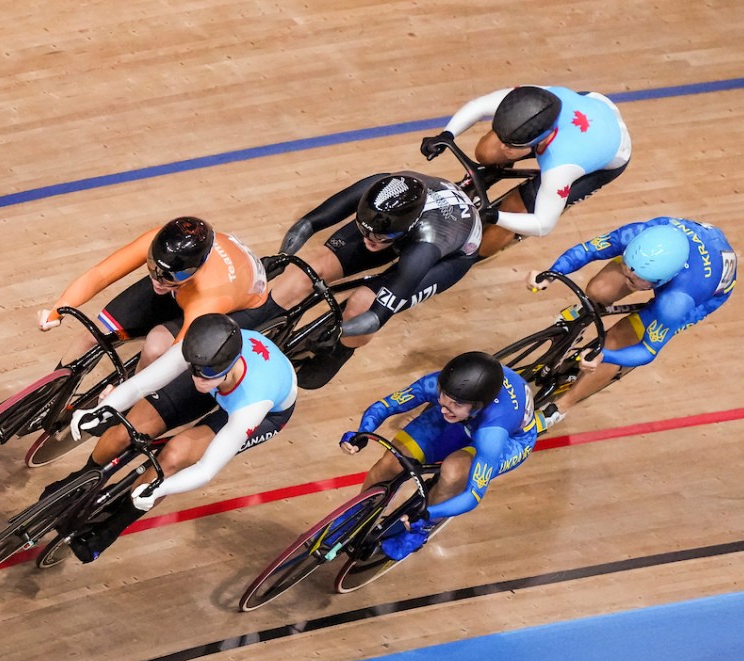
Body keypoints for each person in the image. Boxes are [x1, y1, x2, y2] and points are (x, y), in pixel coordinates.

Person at [55, 313, 298, 562]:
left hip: (264, 410)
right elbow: (140, 385)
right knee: (128, 428)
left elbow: (206, 470)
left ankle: (110, 528)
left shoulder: (253, 403)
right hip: (225, 381)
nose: (198, 380)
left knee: (174, 455)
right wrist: (99, 411)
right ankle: (80, 482)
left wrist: (162, 487)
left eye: (207, 376)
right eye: (195, 371)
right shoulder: (198, 352)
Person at [268, 171, 483, 389]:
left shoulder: (425, 248)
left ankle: (339, 353)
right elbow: (310, 223)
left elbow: (376, 316)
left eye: (380, 237)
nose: (370, 240)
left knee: (362, 303)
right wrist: (280, 258)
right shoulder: (379, 193)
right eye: (365, 229)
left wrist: (339, 332)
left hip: (447, 256)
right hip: (397, 226)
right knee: (313, 269)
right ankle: (264, 314)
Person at [529, 217, 737, 430]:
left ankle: (562, 407)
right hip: (695, 244)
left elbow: (648, 350)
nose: (628, 278)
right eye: (627, 269)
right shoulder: (636, 234)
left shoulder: (676, 302)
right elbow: (588, 249)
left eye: (634, 281)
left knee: (619, 339)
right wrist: (551, 274)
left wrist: (605, 355)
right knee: (599, 290)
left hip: (705, 293)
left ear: (658, 282)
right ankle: (583, 317)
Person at [339, 351, 537, 559]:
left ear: (478, 406)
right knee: (392, 462)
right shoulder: (439, 387)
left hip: (511, 440)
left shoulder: (492, 434)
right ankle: (356, 513)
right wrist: (361, 432)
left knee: (453, 472)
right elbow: (386, 405)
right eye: (443, 397)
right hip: (466, 419)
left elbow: (473, 495)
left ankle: (420, 532)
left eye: (456, 404)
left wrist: (428, 514)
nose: (445, 407)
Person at [421, 85, 631, 258]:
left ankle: (471, 255)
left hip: (608, 151)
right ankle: (494, 171)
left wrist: (495, 216)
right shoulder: (534, 99)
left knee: (515, 208)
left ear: (537, 143)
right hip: (589, 106)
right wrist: (447, 134)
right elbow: (479, 106)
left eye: (512, 145)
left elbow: (543, 225)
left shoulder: (561, 166)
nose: (504, 147)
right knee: (487, 152)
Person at [37, 216, 269, 369]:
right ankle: (48, 394)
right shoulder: (162, 249)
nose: (158, 281)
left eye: (169, 277)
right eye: (153, 268)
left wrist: (124, 394)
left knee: (156, 348)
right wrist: (58, 309)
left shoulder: (212, 296)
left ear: (195, 270)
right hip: (185, 290)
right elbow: (100, 274)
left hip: (235, 304)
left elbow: (174, 361)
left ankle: (127, 410)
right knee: (94, 334)